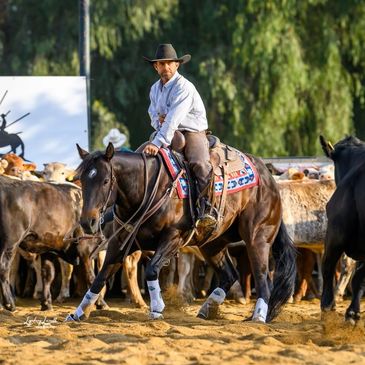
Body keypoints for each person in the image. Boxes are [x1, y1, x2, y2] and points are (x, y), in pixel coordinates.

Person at [143, 43, 216, 229]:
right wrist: (159, 123)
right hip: (167, 130)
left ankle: (207, 210)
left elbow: (173, 119)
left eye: (169, 63)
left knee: (199, 163)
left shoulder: (184, 87)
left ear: (177, 65)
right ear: (156, 67)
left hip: (192, 130)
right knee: (142, 159)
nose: (165, 67)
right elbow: (153, 114)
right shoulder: (154, 89)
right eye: (161, 63)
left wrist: (158, 141)